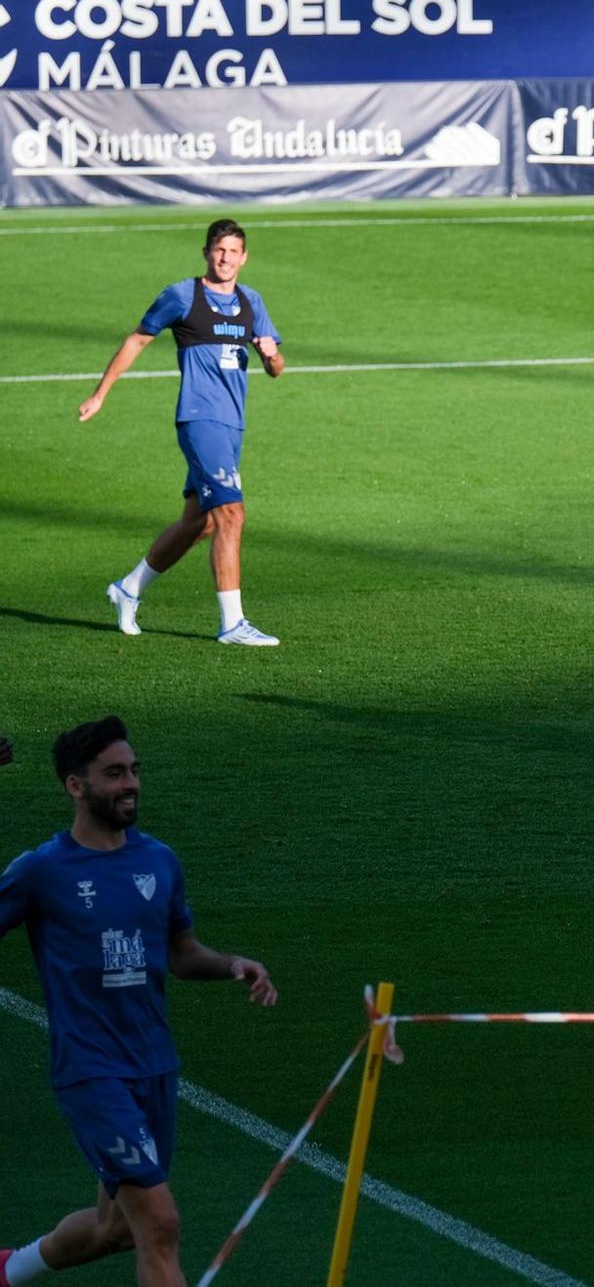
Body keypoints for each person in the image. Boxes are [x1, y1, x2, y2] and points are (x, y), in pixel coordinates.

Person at [0, 717, 279, 1287]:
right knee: (159, 1223)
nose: (131, 784)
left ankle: (11, 1269)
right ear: (76, 786)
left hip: (154, 1064)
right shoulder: (42, 872)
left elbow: (180, 954)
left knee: (120, 1227)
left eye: (134, 771)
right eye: (114, 774)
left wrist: (231, 965)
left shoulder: (159, 861)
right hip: (91, 1069)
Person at [82, 218, 285, 647]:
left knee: (202, 523)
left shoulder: (252, 302)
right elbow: (138, 339)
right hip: (199, 419)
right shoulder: (183, 296)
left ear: (244, 257)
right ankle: (232, 624)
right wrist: (101, 394)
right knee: (232, 514)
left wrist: (270, 357)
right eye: (219, 250)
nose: (225, 258)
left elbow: (276, 368)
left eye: (233, 251)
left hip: (232, 424)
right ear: (207, 253)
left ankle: (128, 589)